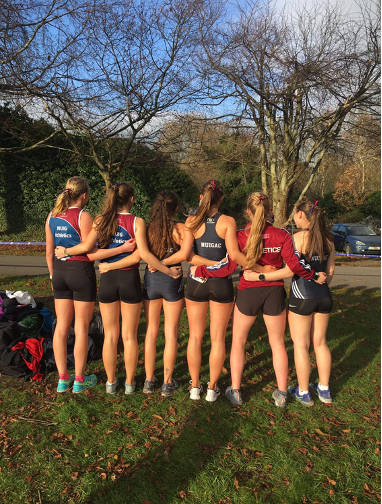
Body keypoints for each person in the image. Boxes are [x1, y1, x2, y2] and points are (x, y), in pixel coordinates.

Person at [192, 192, 327, 408]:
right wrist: (314, 275)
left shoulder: (239, 235)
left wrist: (201, 270)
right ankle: (282, 393)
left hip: (248, 291)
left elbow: (228, 265)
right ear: (269, 211)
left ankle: (235, 391)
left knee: (238, 341)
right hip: (274, 292)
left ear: (248, 212)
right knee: (277, 343)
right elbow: (295, 266)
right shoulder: (282, 234)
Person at [56, 182, 182, 396]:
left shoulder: (100, 220)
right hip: (129, 280)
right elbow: (143, 254)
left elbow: (91, 254)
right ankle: (131, 384)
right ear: (131, 199)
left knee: (110, 336)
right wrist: (168, 271)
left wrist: (107, 264)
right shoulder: (137, 222)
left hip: (107, 281)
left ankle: (111, 383)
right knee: (129, 336)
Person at [103, 191, 194, 397]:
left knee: (151, 331)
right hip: (173, 281)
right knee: (170, 332)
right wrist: (168, 264)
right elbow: (184, 254)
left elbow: (142, 254)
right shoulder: (181, 229)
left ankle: (149, 380)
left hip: (152, 282)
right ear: (176, 209)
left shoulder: (148, 227)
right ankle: (167, 383)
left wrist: (159, 264)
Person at [185, 179, 248, 402]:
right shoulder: (228, 221)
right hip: (221, 283)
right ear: (221, 198)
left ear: (201, 198)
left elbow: (188, 256)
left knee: (195, 337)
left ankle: (194, 387)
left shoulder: (191, 221)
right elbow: (233, 255)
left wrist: (206, 265)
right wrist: (219, 265)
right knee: (218, 338)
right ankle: (212, 389)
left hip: (197, 282)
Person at [45, 176, 98, 394]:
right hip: (81, 272)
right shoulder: (84, 216)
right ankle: (79, 380)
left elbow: (49, 252)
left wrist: (52, 276)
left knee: (61, 328)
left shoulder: (52, 215)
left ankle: (62, 379)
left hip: (59, 273)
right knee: (82, 329)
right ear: (84, 195)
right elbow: (88, 249)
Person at [286, 200, 335, 406]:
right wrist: (320, 282)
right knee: (321, 343)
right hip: (324, 296)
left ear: (300, 214)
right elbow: (330, 272)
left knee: (301, 345)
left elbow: (291, 270)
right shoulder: (329, 240)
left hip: (302, 297)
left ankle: (304, 391)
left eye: (295, 214)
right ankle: (324, 390)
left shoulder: (297, 238)